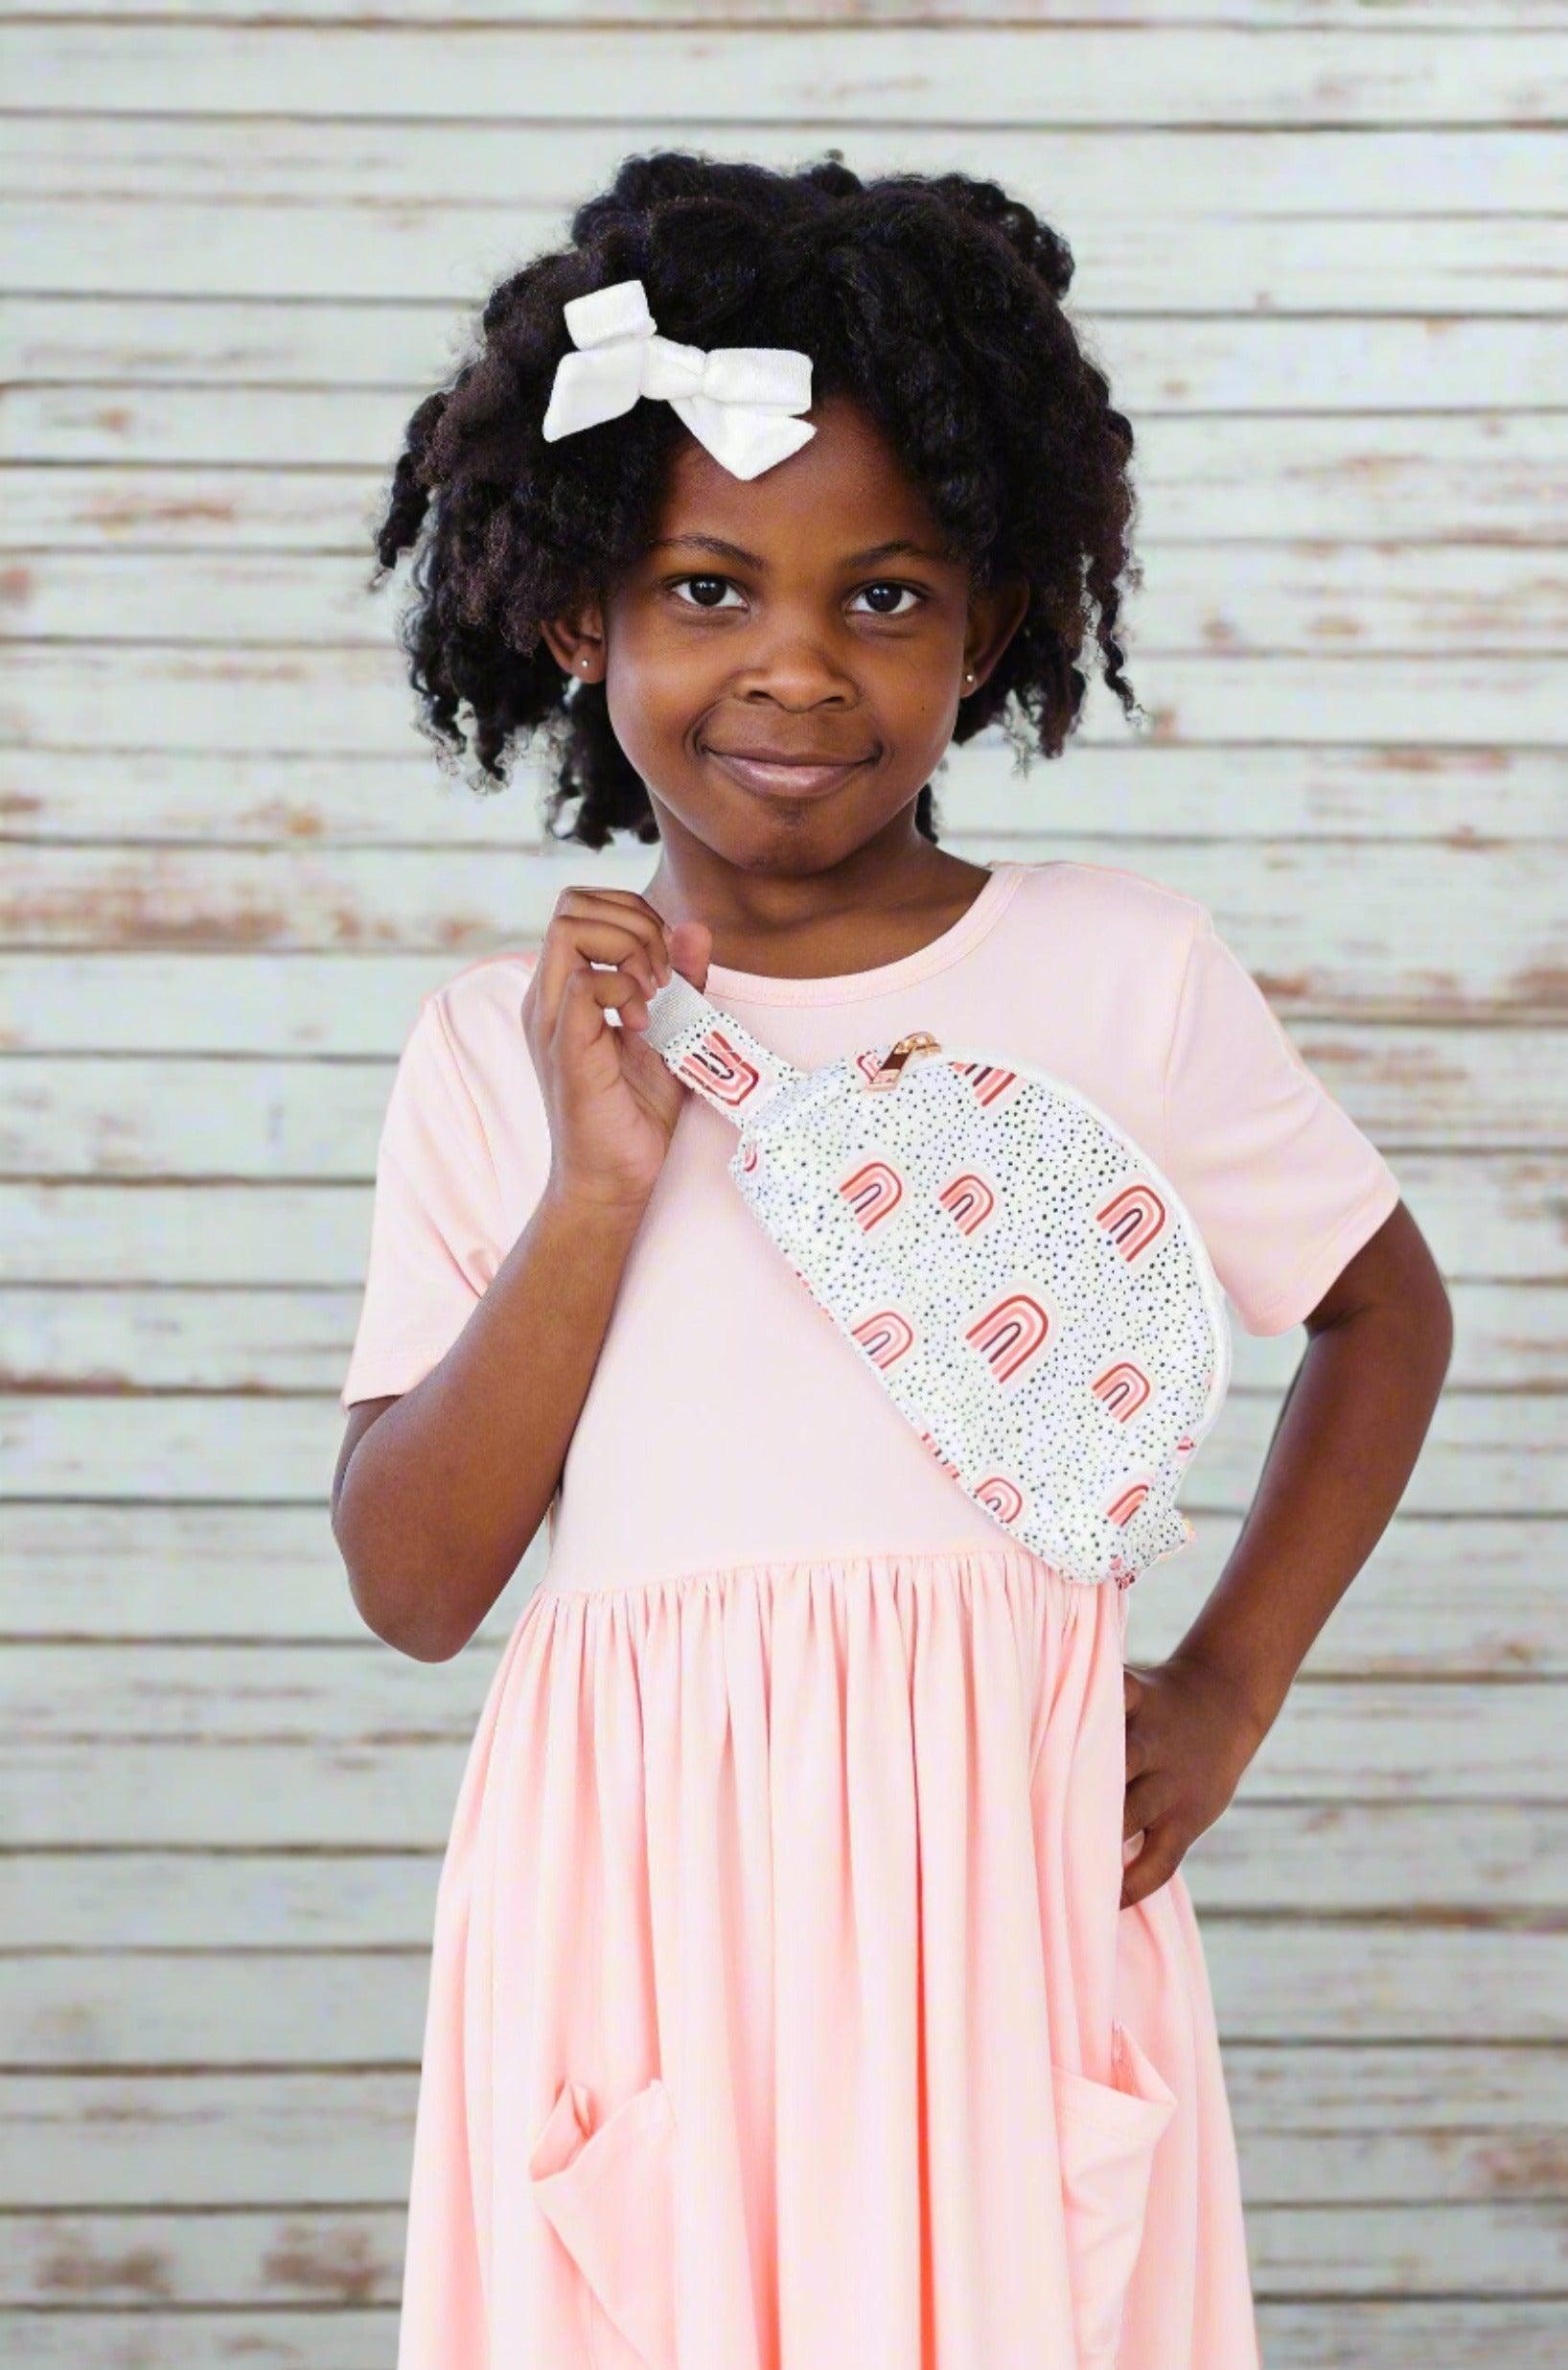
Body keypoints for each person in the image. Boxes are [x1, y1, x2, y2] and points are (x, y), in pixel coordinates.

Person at [330, 151, 1452, 2370]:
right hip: (635, 1928)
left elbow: (1378, 1310)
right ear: (574, 615)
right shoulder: (496, 1053)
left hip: (997, 1899)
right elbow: (416, 1585)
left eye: (883, 597)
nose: (794, 666)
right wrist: (592, 1181)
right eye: (705, 587)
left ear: (991, 622)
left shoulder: (1116, 975)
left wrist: (1224, 1688)